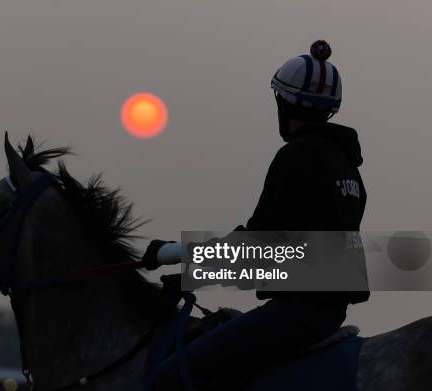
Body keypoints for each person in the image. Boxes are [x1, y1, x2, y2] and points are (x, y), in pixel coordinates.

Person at [143, 40, 370, 390]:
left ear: (284, 103)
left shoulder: (296, 156)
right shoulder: (347, 166)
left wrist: (178, 258)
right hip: (327, 313)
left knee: (169, 378)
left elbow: (258, 243)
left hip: (295, 313)